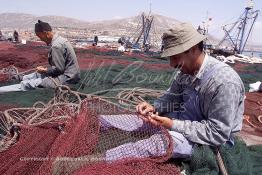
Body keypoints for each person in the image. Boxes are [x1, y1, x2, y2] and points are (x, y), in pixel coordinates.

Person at [100, 22, 245, 161]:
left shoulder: (224, 82)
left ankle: (98, 160)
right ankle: (100, 122)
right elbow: (171, 98)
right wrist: (155, 107)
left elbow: (217, 133)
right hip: (182, 121)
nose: (172, 64)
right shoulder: (185, 72)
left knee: (158, 143)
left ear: (194, 49)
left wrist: (171, 124)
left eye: (175, 57)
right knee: (141, 120)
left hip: (208, 141)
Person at [0, 20, 80, 93]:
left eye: (39, 36)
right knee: (37, 74)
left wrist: (45, 70)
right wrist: (44, 70)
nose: (40, 39)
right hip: (68, 74)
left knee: (32, 83)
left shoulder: (56, 46)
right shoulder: (59, 40)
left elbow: (59, 70)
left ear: (46, 33)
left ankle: (4, 89)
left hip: (68, 78)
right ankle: (20, 78)